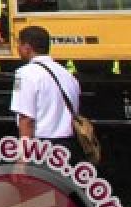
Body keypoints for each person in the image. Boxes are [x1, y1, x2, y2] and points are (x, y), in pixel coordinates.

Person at [10, 25, 83, 162]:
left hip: (42, 149)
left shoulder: (25, 74)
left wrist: (23, 158)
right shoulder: (67, 74)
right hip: (69, 147)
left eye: (18, 44)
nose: (17, 49)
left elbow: (26, 119)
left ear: (27, 47)